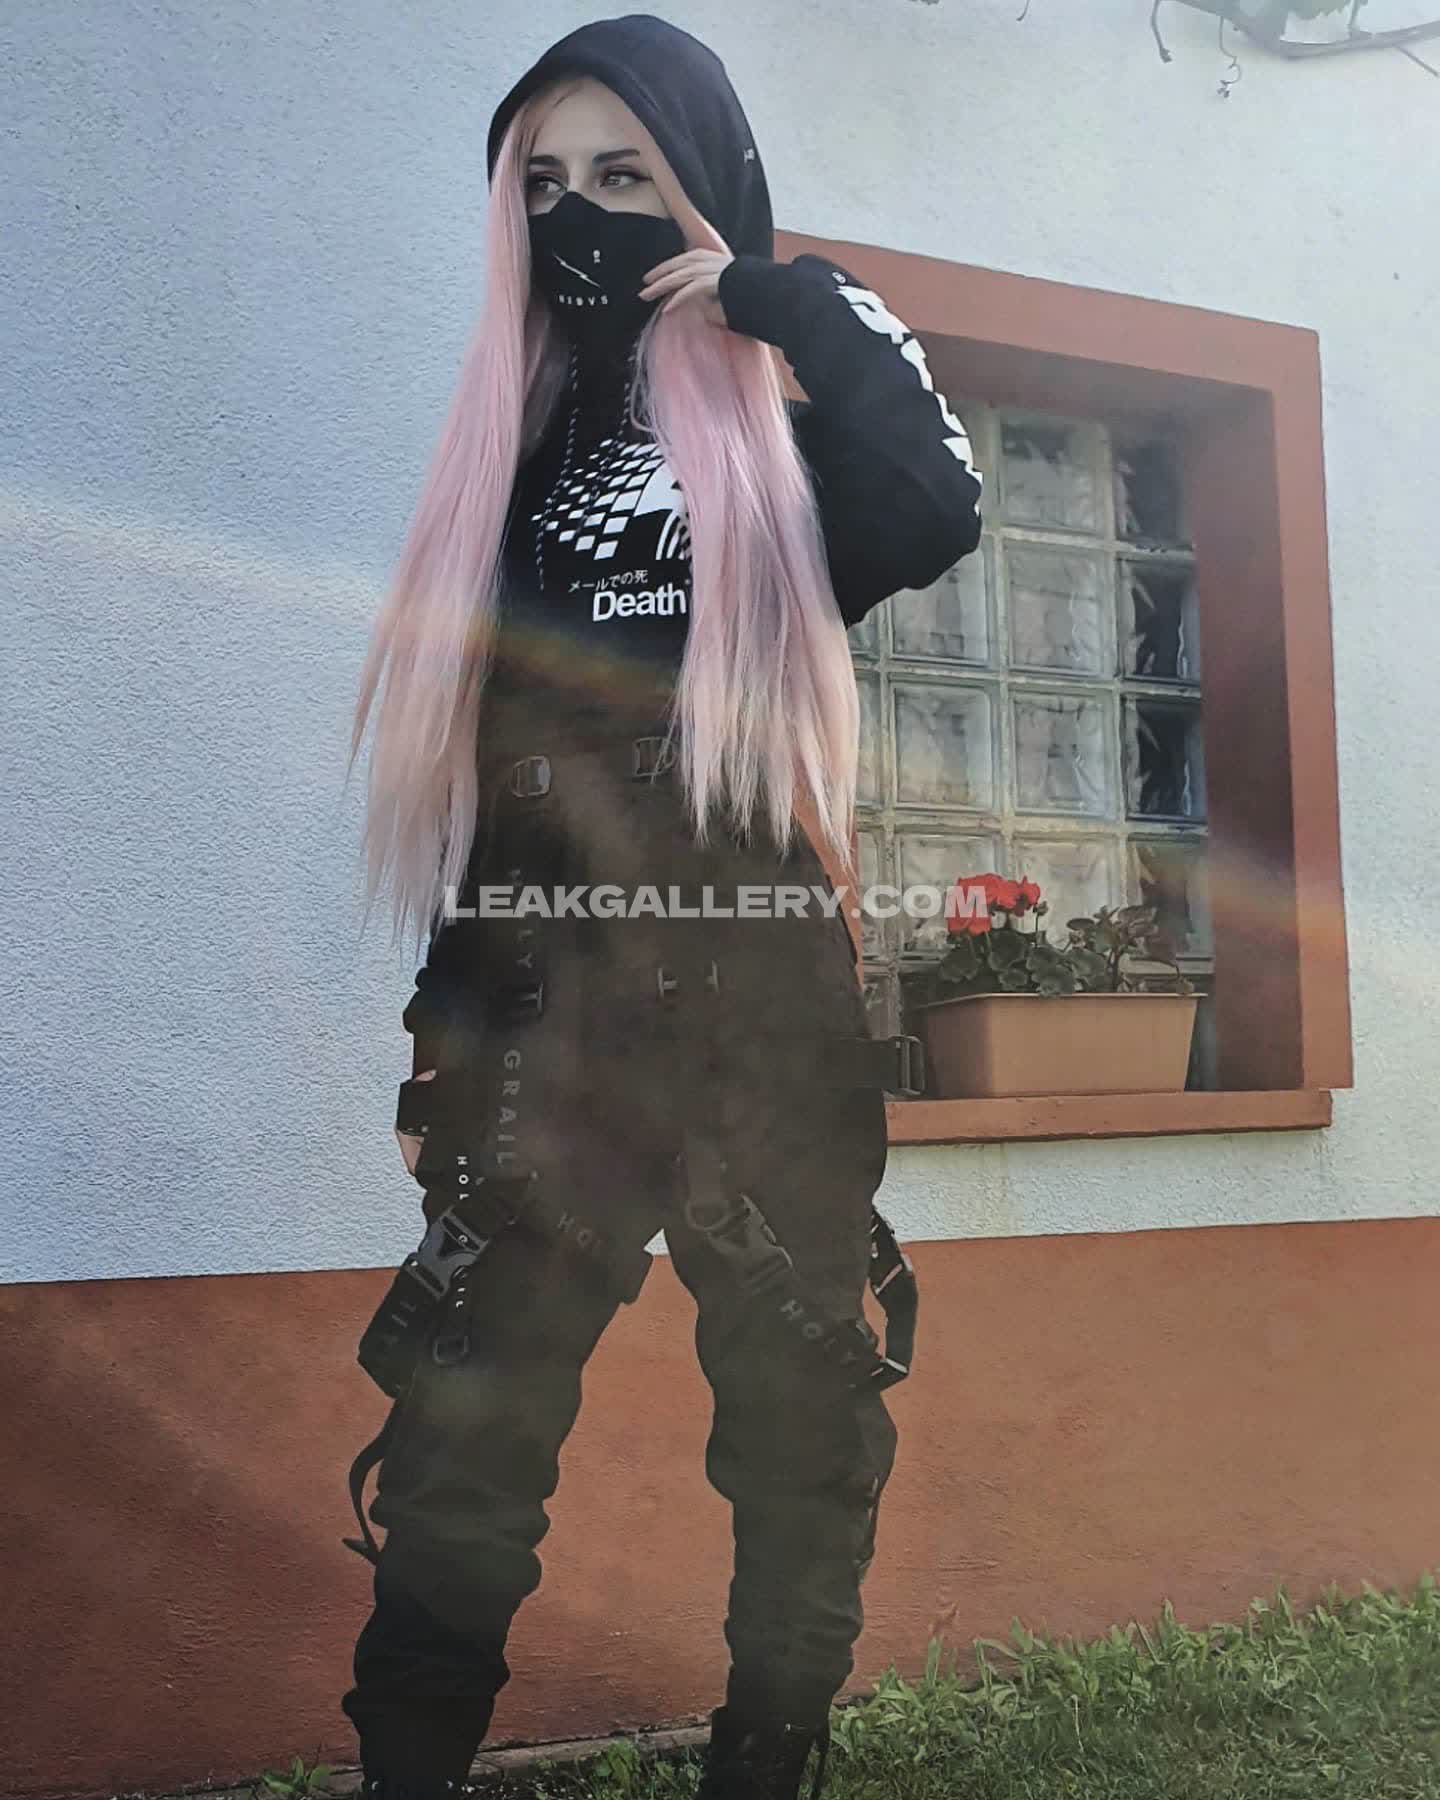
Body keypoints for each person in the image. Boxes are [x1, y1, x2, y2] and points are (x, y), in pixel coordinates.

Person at [341, 15, 983, 1799]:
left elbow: (938, 496)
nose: (579, 217)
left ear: (701, 193)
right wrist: (462, 1028)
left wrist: (768, 292)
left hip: (757, 990)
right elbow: (498, 764)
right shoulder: (506, 469)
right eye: (542, 183)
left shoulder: (788, 477)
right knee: (466, 1423)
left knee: (800, 1410)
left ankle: (768, 1762)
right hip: (539, 992)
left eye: (624, 176)